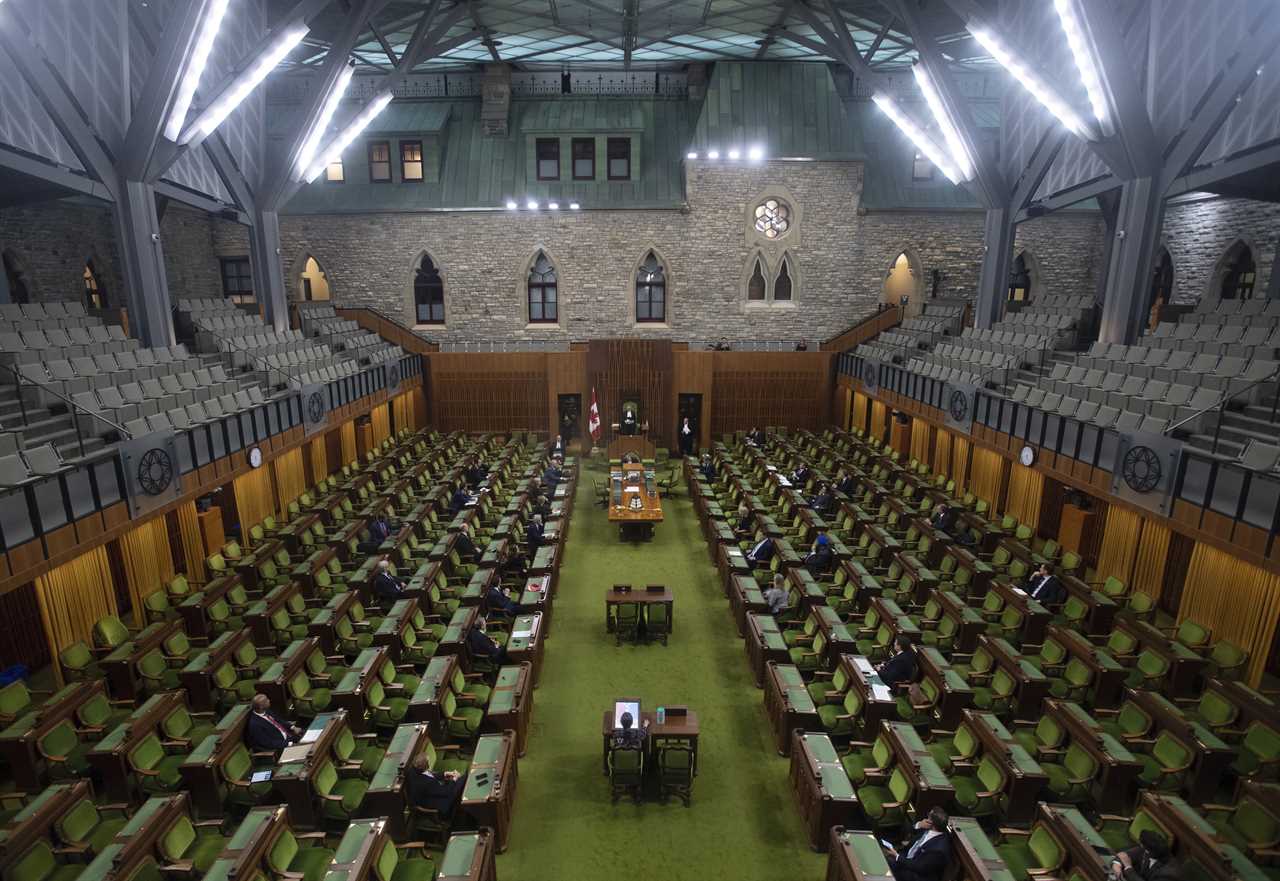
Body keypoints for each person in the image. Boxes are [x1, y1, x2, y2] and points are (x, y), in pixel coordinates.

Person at [885, 807, 952, 881]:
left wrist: (897, 856)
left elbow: (919, 867)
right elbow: (907, 832)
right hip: (907, 858)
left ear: (931, 822)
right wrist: (919, 825)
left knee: (889, 863)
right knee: (887, 859)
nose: (926, 817)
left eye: (928, 816)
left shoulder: (938, 850)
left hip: (915, 875)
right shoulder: (928, 827)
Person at [405, 753, 465, 821]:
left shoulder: (413, 770)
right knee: (462, 780)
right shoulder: (427, 783)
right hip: (438, 802)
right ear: (426, 766)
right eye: (428, 761)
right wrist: (454, 779)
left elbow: (430, 775)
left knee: (460, 780)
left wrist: (445, 773)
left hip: (430, 793)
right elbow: (446, 792)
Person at [1112, 830, 1179, 881]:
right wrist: (1117, 865)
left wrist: (1128, 867)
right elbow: (1124, 855)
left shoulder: (1169, 873)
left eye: (1143, 847)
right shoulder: (1147, 849)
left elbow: (1126, 861)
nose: (1141, 848)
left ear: (1148, 851)